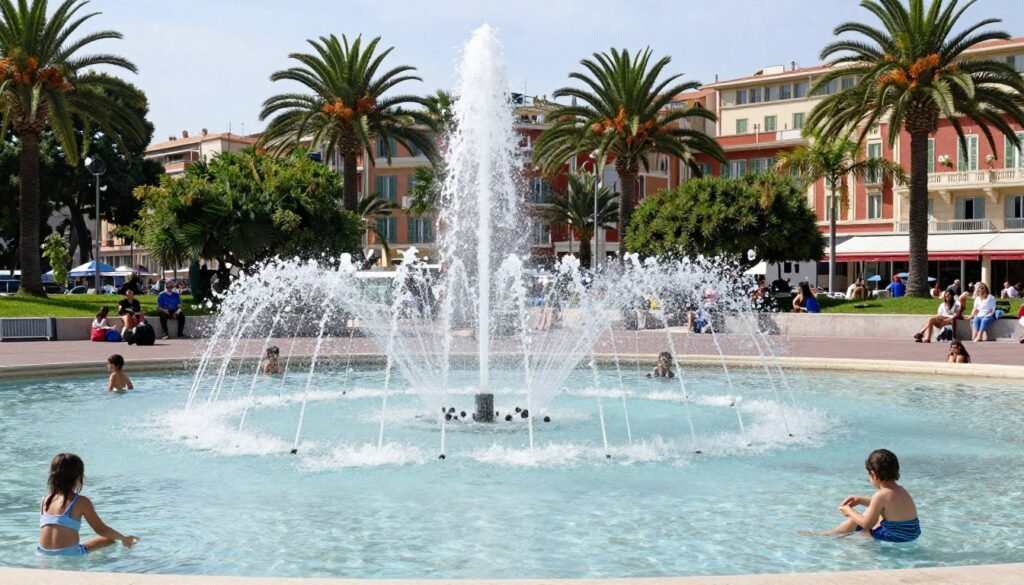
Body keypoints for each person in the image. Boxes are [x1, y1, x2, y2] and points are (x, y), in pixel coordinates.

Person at [37, 453, 139, 556]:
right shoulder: (81, 501)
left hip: (42, 553)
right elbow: (101, 529)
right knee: (109, 539)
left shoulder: (44, 500)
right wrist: (125, 538)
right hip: (70, 554)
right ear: (78, 477)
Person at [822, 449, 920, 543]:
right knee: (874, 516)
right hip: (911, 535)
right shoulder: (901, 490)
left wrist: (849, 511)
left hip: (894, 538)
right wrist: (860, 500)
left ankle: (829, 536)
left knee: (858, 522)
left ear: (873, 474)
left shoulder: (880, 495)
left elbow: (867, 524)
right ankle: (831, 535)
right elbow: (887, 506)